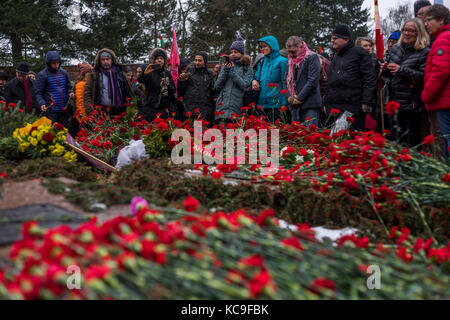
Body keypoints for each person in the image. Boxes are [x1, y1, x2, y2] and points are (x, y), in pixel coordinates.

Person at [381, 18, 430, 147]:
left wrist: (401, 70)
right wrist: (384, 70)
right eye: (405, 30)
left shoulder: (424, 52)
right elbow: (389, 76)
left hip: (412, 105)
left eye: (411, 31)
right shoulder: (396, 49)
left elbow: (424, 76)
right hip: (394, 103)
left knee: (412, 142)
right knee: (396, 141)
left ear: (419, 33)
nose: (407, 33)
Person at [325, 24, 377, 132]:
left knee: (353, 142)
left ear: (346, 39)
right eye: (331, 38)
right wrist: (327, 104)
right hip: (335, 108)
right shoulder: (335, 56)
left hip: (353, 109)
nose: (332, 41)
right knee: (337, 143)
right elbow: (331, 82)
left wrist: (367, 101)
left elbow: (369, 78)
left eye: (335, 38)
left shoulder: (359, 53)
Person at [422, 4, 450, 159]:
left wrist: (426, 95)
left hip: (445, 102)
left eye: (429, 20)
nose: (426, 24)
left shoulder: (443, 38)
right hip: (444, 100)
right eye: (425, 21)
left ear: (441, 20)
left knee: (447, 140)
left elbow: (441, 71)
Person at [283, 36, 322, 127]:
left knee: (310, 134)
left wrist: (299, 98)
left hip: (310, 103)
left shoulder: (312, 57)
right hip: (295, 106)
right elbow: (285, 80)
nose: (290, 54)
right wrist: (289, 96)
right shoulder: (290, 61)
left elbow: (312, 80)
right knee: (297, 136)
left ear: (300, 46)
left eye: (293, 52)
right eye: (288, 52)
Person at [84, 48, 134, 117]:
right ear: (99, 61)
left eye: (107, 59)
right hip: (101, 111)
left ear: (112, 60)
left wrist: (130, 107)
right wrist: (90, 111)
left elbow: (128, 90)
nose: (105, 61)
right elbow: (87, 92)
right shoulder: (94, 74)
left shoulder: (120, 73)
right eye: (103, 59)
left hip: (120, 111)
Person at [215, 35, 253, 123]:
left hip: (238, 107)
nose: (233, 54)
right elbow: (217, 86)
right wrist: (225, 70)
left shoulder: (247, 68)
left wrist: (232, 72)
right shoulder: (226, 67)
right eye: (231, 52)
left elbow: (245, 85)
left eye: (236, 52)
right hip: (222, 107)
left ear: (241, 53)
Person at [252, 35, 288, 123]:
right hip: (261, 104)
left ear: (272, 46)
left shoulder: (282, 61)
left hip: (276, 105)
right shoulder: (261, 61)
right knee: (263, 134)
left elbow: (285, 83)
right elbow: (255, 77)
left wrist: (284, 104)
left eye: (265, 46)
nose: (262, 49)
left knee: (274, 134)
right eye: (261, 46)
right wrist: (253, 81)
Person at [35, 51, 74, 126]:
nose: (56, 65)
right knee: (51, 134)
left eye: (57, 63)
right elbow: (38, 93)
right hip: (51, 111)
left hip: (64, 109)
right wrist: (42, 103)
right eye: (53, 63)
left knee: (64, 133)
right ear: (48, 63)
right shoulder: (42, 75)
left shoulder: (64, 73)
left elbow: (68, 87)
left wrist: (70, 92)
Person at [137, 48, 176, 122]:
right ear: (153, 60)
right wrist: (144, 74)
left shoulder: (167, 73)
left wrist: (166, 84)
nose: (159, 60)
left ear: (164, 61)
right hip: (151, 108)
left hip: (165, 108)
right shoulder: (150, 71)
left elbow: (173, 90)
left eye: (161, 58)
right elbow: (140, 80)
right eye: (157, 58)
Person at [177, 52, 216, 124]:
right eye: (196, 60)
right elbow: (181, 90)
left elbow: (214, 92)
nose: (197, 62)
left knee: (202, 134)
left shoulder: (210, 74)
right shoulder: (189, 72)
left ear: (205, 61)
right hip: (190, 110)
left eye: (200, 60)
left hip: (205, 111)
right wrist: (181, 81)